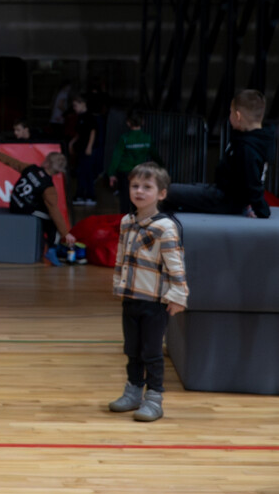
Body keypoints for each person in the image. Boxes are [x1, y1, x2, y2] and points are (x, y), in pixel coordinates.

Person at [109, 163, 188, 423]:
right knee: (132, 349)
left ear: (161, 194)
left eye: (147, 187)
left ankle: (154, 398)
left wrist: (178, 295)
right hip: (131, 298)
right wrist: (119, 283)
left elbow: (176, 264)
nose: (139, 191)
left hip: (154, 302)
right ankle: (133, 391)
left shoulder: (165, 227)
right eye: (135, 186)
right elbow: (121, 257)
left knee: (151, 352)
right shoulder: (127, 222)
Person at [164, 89, 273, 218]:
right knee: (179, 190)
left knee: (165, 192)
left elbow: (252, 181)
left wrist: (261, 210)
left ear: (237, 116)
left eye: (230, 112)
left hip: (225, 199)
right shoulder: (256, 141)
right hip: (224, 194)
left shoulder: (247, 147)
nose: (229, 116)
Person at [0, 145, 76, 254]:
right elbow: (54, 212)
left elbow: (13, 162)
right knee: (52, 221)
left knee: (44, 208)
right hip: (23, 210)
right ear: (58, 171)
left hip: (14, 203)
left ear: (46, 162)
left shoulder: (31, 168)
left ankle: (44, 242)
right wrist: (65, 234)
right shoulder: (48, 187)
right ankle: (52, 249)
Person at [106, 109, 156, 212]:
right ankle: (137, 219)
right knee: (139, 197)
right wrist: (161, 167)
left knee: (125, 198)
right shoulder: (147, 138)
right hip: (140, 172)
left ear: (128, 123)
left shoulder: (124, 138)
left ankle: (125, 219)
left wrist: (111, 173)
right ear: (143, 122)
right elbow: (155, 155)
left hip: (125, 173)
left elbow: (117, 157)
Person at [63, 92, 98, 204]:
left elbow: (92, 132)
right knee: (80, 172)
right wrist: (72, 143)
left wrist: (89, 147)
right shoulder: (79, 117)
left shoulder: (89, 117)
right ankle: (80, 195)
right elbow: (79, 133)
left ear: (82, 104)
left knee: (87, 172)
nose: (74, 108)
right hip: (81, 148)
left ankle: (90, 196)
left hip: (87, 149)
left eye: (75, 105)